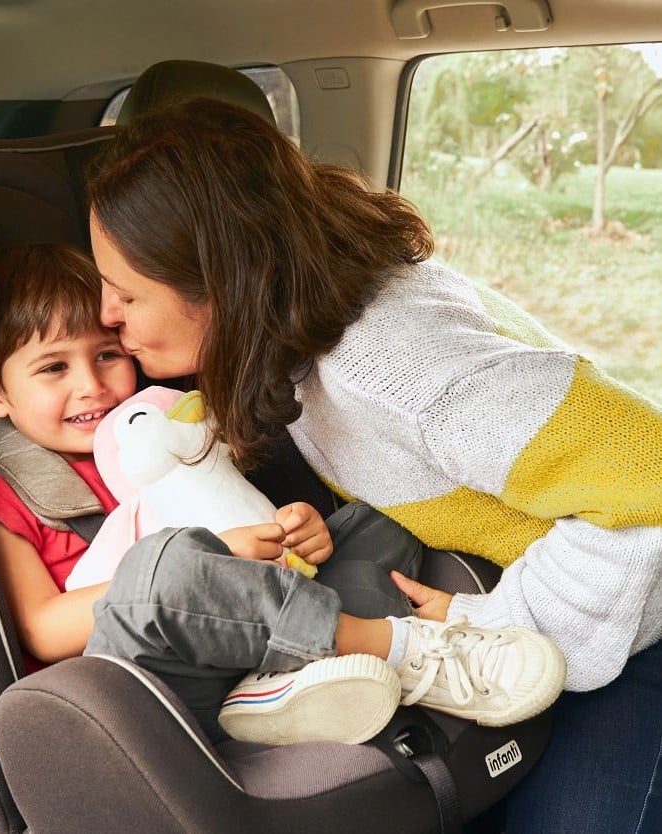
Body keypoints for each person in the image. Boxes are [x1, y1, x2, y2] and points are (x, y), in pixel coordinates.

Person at [87, 97, 662, 831]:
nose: (107, 314)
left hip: (637, 620)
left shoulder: (398, 368)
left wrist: (498, 621)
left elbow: (650, 472)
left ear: (223, 280)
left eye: (127, 293)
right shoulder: (297, 331)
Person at [0, 241, 564, 747]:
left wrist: (297, 532)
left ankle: (285, 683)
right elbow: (41, 629)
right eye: (53, 368)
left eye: (107, 355)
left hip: (252, 629)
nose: (92, 385)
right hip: (144, 677)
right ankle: (401, 650)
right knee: (163, 568)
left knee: (373, 521)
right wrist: (210, 560)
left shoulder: (170, 424)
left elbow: (240, 510)